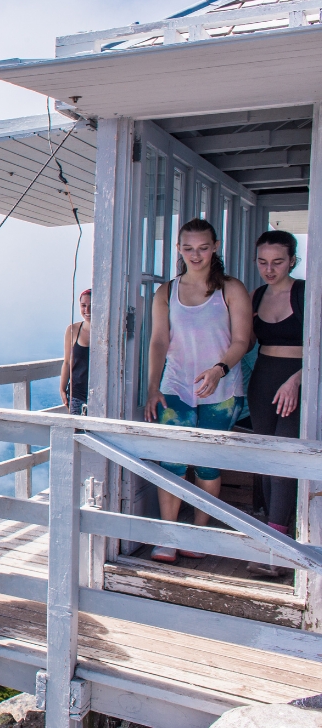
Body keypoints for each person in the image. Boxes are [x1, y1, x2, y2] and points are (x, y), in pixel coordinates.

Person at [143, 219, 251, 564]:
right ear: (178, 249)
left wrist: (219, 370)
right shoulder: (167, 292)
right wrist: (152, 388)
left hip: (223, 389)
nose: (196, 254)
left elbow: (241, 341)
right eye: (188, 248)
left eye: (203, 247)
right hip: (175, 386)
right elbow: (159, 340)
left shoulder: (231, 289)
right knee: (171, 462)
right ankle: (168, 536)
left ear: (215, 247)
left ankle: (199, 534)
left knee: (206, 464)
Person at [246, 231, 305, 577]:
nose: (269, 269)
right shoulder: (256, 296)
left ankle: (278, 552)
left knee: (284, 459)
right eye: (263, 262)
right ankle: (275, 532)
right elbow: (243, 340)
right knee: (267, 460)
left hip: (298, 382)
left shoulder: (307, 292)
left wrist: (297, 380)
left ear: (292, 261)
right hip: (263, 382)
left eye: (278, 262)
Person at [60, 289, 92, 415]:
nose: (87, 311)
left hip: (102, 395)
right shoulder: (73, 330)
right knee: (78, 432)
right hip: (77, 394)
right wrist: (62, 389)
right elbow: (67, 362)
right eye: (84, 306)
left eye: (91, 306)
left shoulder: (107, 331)